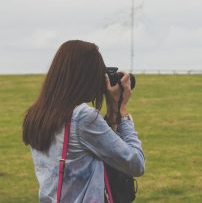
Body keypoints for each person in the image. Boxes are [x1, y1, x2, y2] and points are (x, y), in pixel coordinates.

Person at [22, 40, 145, 202]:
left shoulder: (37, 115)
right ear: (86, 76)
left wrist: (112, 113)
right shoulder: (82, 117)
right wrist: (122, 111)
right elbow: (135, 164)